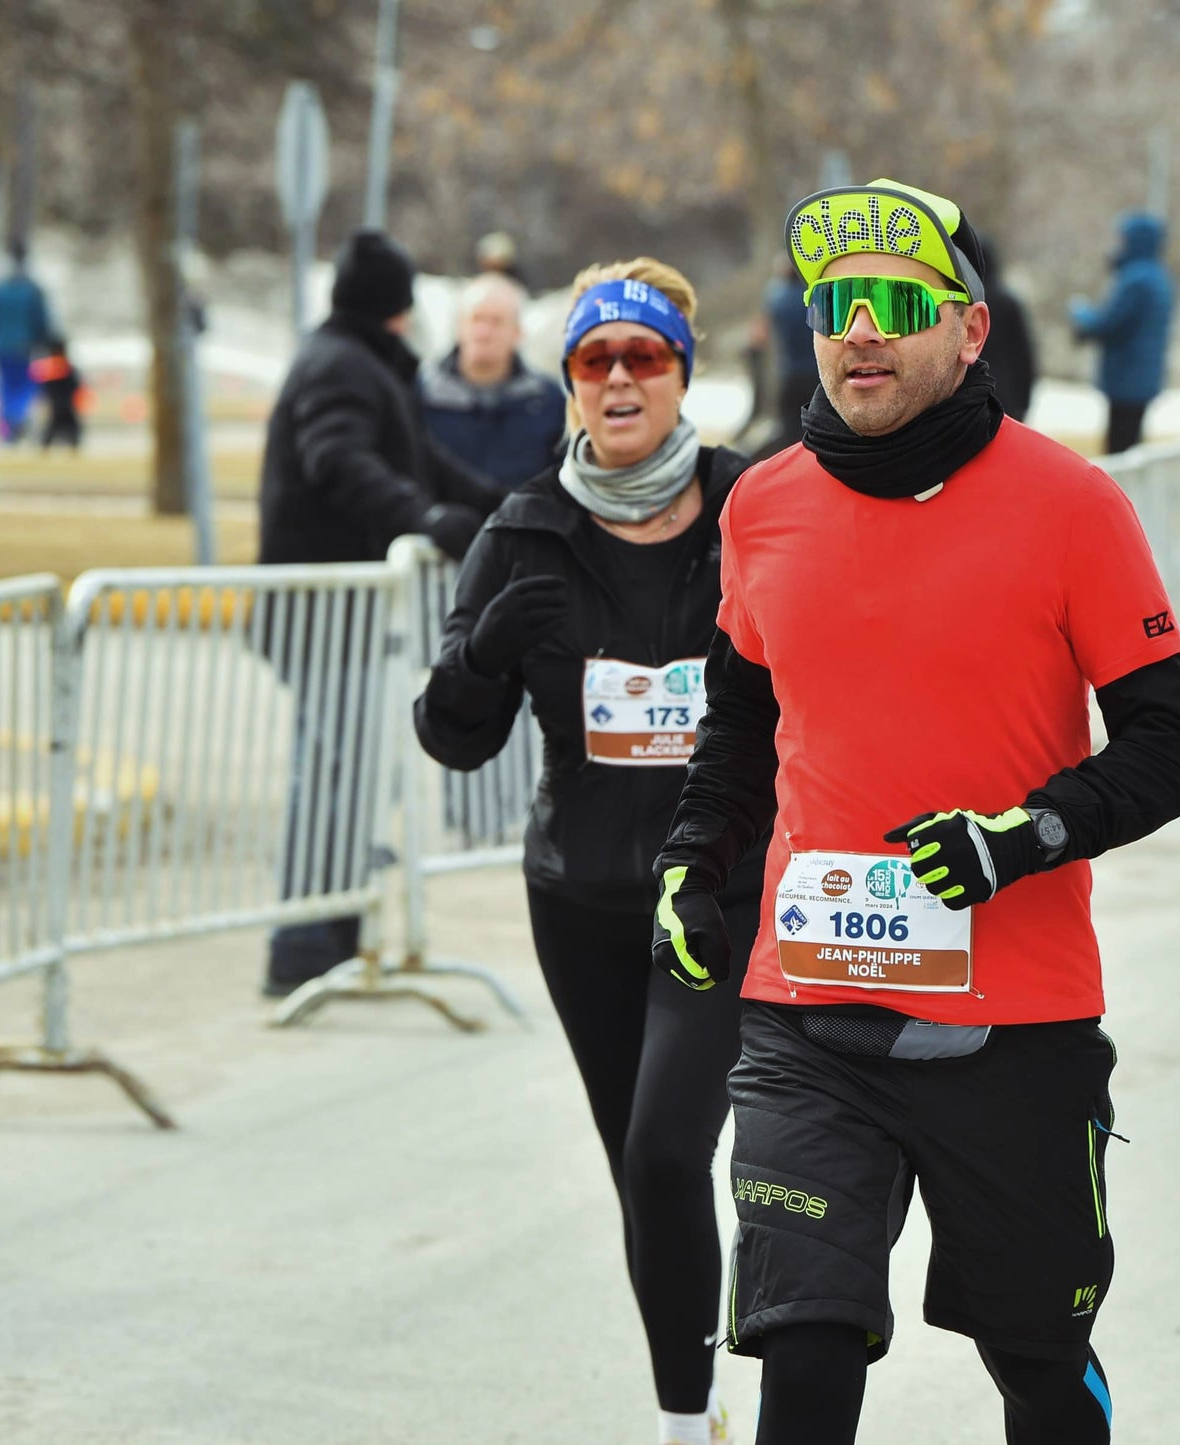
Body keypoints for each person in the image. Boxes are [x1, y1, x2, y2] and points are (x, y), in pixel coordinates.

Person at [651, 179, 1180, 1445]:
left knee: (1036, 1366)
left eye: (895, 304)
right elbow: (741, 719)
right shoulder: (764, 506)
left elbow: (1176, 745)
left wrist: (1022, 836)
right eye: (835, 304)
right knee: (802, 1354)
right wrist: (693, 856)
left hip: (1013, 1027)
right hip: (805, 1015)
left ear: (966, 330)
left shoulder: (1071, 506)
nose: (858, 329)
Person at [415, 258, 764, 1445]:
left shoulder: (754, 507)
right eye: (593, 360)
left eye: (643, 357)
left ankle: (691, 1412)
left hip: (719, 887)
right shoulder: (523, 534)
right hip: (581, 896)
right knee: (641, 1164)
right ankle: (692, 1407)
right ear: (567, 383)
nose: (618, 379)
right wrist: (476, 659)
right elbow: (450, 740)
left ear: (681, 374)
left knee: (672, 1145)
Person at [258, 229, 500, 999]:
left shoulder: (361, 365)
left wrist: (511, 509)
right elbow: (338, 458)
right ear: (395, 308)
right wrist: (420, 518)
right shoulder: (340, 367)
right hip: (326, 609)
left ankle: (332, 931)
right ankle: (304, 943)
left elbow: (423, 463)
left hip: (344, 610)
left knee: (350, 773)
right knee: (332, 773)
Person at [418, 273, 566, 494]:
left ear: (518, 332)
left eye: (496, 322)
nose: (483, 333)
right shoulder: (421, 394)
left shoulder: (547, 401)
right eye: (476, 319)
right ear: (459, 326)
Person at [1069, 211, 1174, 454]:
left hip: (1127, 379)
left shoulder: (1137, 279)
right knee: (1130, 445)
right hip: (1141, 378)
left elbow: (1111, 323)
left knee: (1120, 450)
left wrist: (1081, 314)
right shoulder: (1159, 277)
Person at [746, 253, 819, 460]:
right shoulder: (813, 296)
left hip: (789, 376)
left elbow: (759, 336)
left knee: (790, 437)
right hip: (817, 377)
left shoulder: (777, 297)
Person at [0, 239, 54, 443]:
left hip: (2, 345)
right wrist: (45, 341)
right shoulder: (32, 289)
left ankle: (7, 427)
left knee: (5, 386)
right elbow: (41, 319)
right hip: (24, 346)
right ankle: (16, 420)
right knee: (25, 386)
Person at [977, 236, 1036, 422]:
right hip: (1005, 392)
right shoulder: (1008, 302)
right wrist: (1024, 400)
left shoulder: (961, 304)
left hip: (968, 392)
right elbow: (1023, 354)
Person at [31, 338, 85, 450]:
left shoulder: (51, 367)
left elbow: (42, 386)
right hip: (65, 404)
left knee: (57, 426)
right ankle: (72, 445)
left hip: (58, 403)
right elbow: (75, 384)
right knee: (68, 426)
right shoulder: (64, 367)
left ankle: (47, 446)